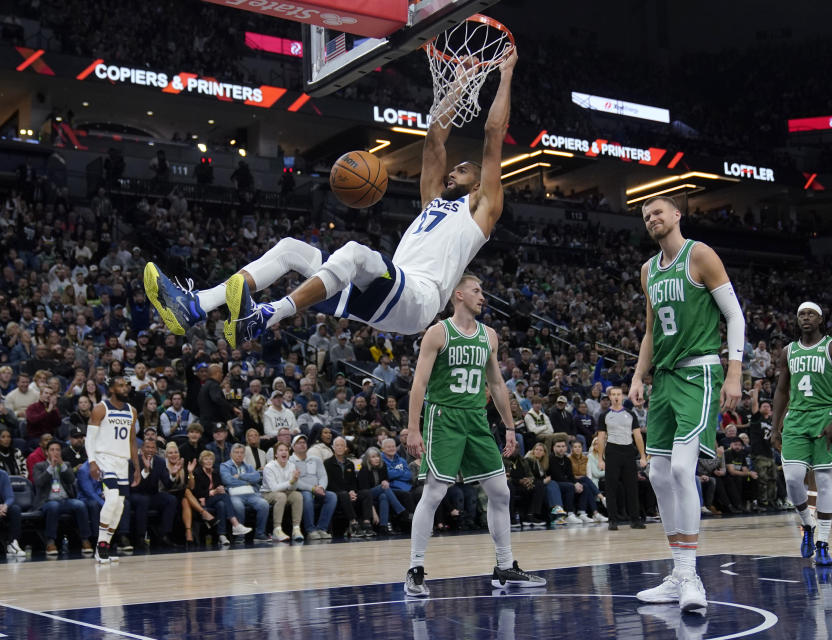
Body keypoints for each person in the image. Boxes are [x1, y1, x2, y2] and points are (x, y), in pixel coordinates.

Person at [144, 50, 518, 353]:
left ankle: (263, 316)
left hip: (419, 298)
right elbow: (436, 136)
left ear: (478, 185)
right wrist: (460, 80)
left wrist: (504, 75)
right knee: (291, 249)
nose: (452, 172)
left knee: (355, 252)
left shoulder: (482, 211)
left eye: (463, 171)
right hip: (388, 290)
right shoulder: (432, 202)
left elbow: (493, 132)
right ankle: (195, 306)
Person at [630, 195, 746, 615]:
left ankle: (691, 574)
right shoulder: (647, 270)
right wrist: (637, 375)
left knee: (682, 468)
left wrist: (734, 372)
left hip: (699, 371)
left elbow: (735, 316)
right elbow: (648, 330)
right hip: (663, 376)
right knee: (658, 472)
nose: (651, 219)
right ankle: (678, 574)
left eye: (658, 212)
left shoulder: (700, 254)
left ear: (677, 215)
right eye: (645, 216)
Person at [403, 272, 544, 597]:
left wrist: (510, 427)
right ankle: (415, 568)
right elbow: (419, 385)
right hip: (444, 417)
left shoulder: (489, 336)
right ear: (459, 295)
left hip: (477, 420)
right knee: (434, 494)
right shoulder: (438, 333)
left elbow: (496, 385)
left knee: (500, 492)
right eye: (476, 291)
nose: (483, 296)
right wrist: (413, 427)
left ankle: (505, 567)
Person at [771, 302, 832, 567]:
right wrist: (775, 425)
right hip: (796, 418)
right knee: (793, 479)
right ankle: (808, 524)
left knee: (824, 481)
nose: (805, 318)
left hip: (824, 417)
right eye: (801, 314)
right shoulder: (788, 351)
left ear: (820, 319)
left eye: (811, 314)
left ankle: (824, 544)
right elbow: (782, 390)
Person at [85, 377, 141, 563]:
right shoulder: (101, 408)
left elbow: (132, 441)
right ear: (111, 388)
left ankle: (105, 546)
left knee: (119, 506)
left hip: (122, 461)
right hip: (104, 458)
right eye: (121, 385)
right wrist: (92, 462)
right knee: (111, 499)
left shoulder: (132, 411)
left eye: (126, 385)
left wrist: (136, 466)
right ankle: (100, 546)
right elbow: (90, 439)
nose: (125, 388)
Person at [596, 387, 646, 531]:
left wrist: (642, 456)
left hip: (628, 450)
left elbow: (637, 436)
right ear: (609, 397)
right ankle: (613, 520)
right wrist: (600, 459)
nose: (616, 397)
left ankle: (635, 519)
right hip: (612, 451)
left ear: (622, 396)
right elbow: (601, 438)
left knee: (632, 487)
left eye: (619, 394)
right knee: (611, 488)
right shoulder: (604, 415)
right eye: (614, 395)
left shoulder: (630, 414)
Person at [33, 440, 94, 556]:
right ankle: (50, 542)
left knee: (80, 505)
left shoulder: (66, 465)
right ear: (46, 452)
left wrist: (62, 465)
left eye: (57, 450)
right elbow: (39, 483)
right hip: (47, 501)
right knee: (54, 506)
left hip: (65, 500)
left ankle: (85, 539)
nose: (55, 452)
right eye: (52, 450)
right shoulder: (39, 466)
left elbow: (71, 479)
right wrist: (51, 467)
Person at [221, 444, 272, 543]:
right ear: (231, 454)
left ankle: (259, 534)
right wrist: (247, 481)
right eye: (236, 452)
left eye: (241, 453)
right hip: (235, 493)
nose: (239, 455)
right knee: (238, 506)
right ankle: (240, 536)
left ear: (244, 455)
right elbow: (227, 480)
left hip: (251, 493)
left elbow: (257, 477)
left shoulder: (248, 466)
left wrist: (239, 476)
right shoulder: (225, 466)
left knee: (264, 504)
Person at [324, 436, 374, 538]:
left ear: (345, 448)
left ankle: (366, 524)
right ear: (333, 447)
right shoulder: (327, 463)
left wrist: (352, 491)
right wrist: (347, 493)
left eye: (342, 445)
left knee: (366, 493)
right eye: (337, 445)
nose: (339, 447)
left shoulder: (349, 464)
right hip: (335, 494)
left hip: (348, 494)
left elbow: (353, 482)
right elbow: (329, 484)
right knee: (343, 494)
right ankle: (353, 524)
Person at [290, 434, 336, 540]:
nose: (302, 445)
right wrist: (312, 488)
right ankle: (310, 530)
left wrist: (321, 487)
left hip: (318, 489)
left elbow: (323, 475)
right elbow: (296, 482)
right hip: (301, 491)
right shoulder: (290, 461)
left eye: (304, 443)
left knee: (332, 496)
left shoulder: (316, 459)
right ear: (293, 446)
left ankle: (322, 528)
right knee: (306, 496)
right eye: (299, 443)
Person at [261, 441, 304, 542]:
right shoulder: (269, 467)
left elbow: (292, 488)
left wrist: (295, 481)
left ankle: (296, 529)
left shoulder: (291, 465)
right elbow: (274, 488)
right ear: (276, 454)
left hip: (285, 492)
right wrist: (291, 481)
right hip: (267, 494)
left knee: (297, 495)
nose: (284, 452)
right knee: (281, 496)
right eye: (281, 450)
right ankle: (277, 530)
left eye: (286, 450)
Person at [358, 446, 408, 534]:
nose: (376, 459)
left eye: (377, 456)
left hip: (380, 492)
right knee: (383, 488)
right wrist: (373, 512)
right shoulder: (363, 470)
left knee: (384, 495)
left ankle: (383, 527)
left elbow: (386, 479)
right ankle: (401, 511)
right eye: (373, 457)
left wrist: (386, 481)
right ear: (368, 459)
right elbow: (365, 492)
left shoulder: (383, 465)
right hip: (366, 495)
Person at [0, 468, 25, 557]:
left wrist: (5, 506)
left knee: (15, 509)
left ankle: (13, 543)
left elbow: (10, 496)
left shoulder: (2, 474)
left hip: (1, 508)